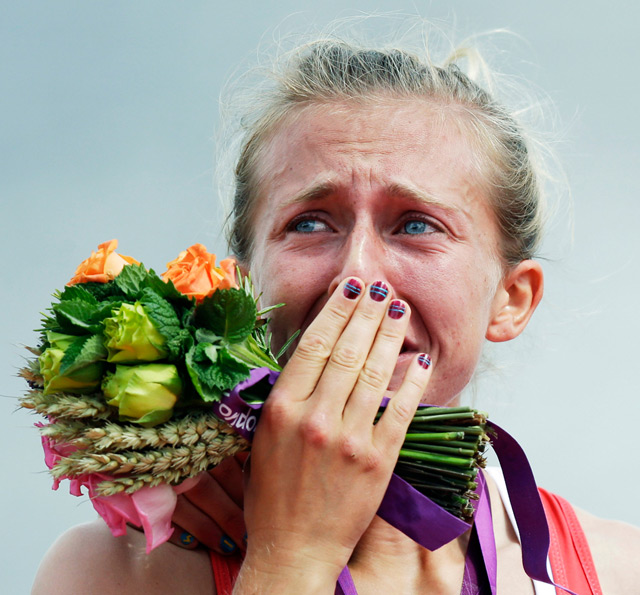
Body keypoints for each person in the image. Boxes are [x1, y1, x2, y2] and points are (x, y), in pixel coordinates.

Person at [32, 35, 640, 594]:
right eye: (310, 223)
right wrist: (291, 557)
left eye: (417, 225)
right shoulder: (114, 573)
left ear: (511, 298)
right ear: (240, 291)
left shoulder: (620, 571)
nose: (359, 273)